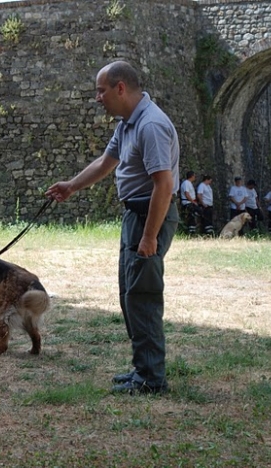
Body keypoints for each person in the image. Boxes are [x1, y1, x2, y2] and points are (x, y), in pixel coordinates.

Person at [45, 61, 179, 394]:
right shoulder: (127, 124)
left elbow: (164, 186)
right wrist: (71, 186)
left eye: (101, 91)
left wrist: (149, 237)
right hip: (134, 216)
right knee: (130, 295)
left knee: (142, 296)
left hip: (150, 216)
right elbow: (107, 162)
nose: (97, 98)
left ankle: (151, 379)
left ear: (120, 88)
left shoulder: (151, 126)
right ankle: (142, 369)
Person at [179, 171, 198, 235]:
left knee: (193, 216)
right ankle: (191, 232)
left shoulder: (189, 183)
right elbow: (187, 194)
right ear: (192, 176)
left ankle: (193, 230)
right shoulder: (186, 183)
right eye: (194, 176)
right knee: (191, 217)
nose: (195, 177)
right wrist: (193, 202)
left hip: (190, 202)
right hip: (188, 202)